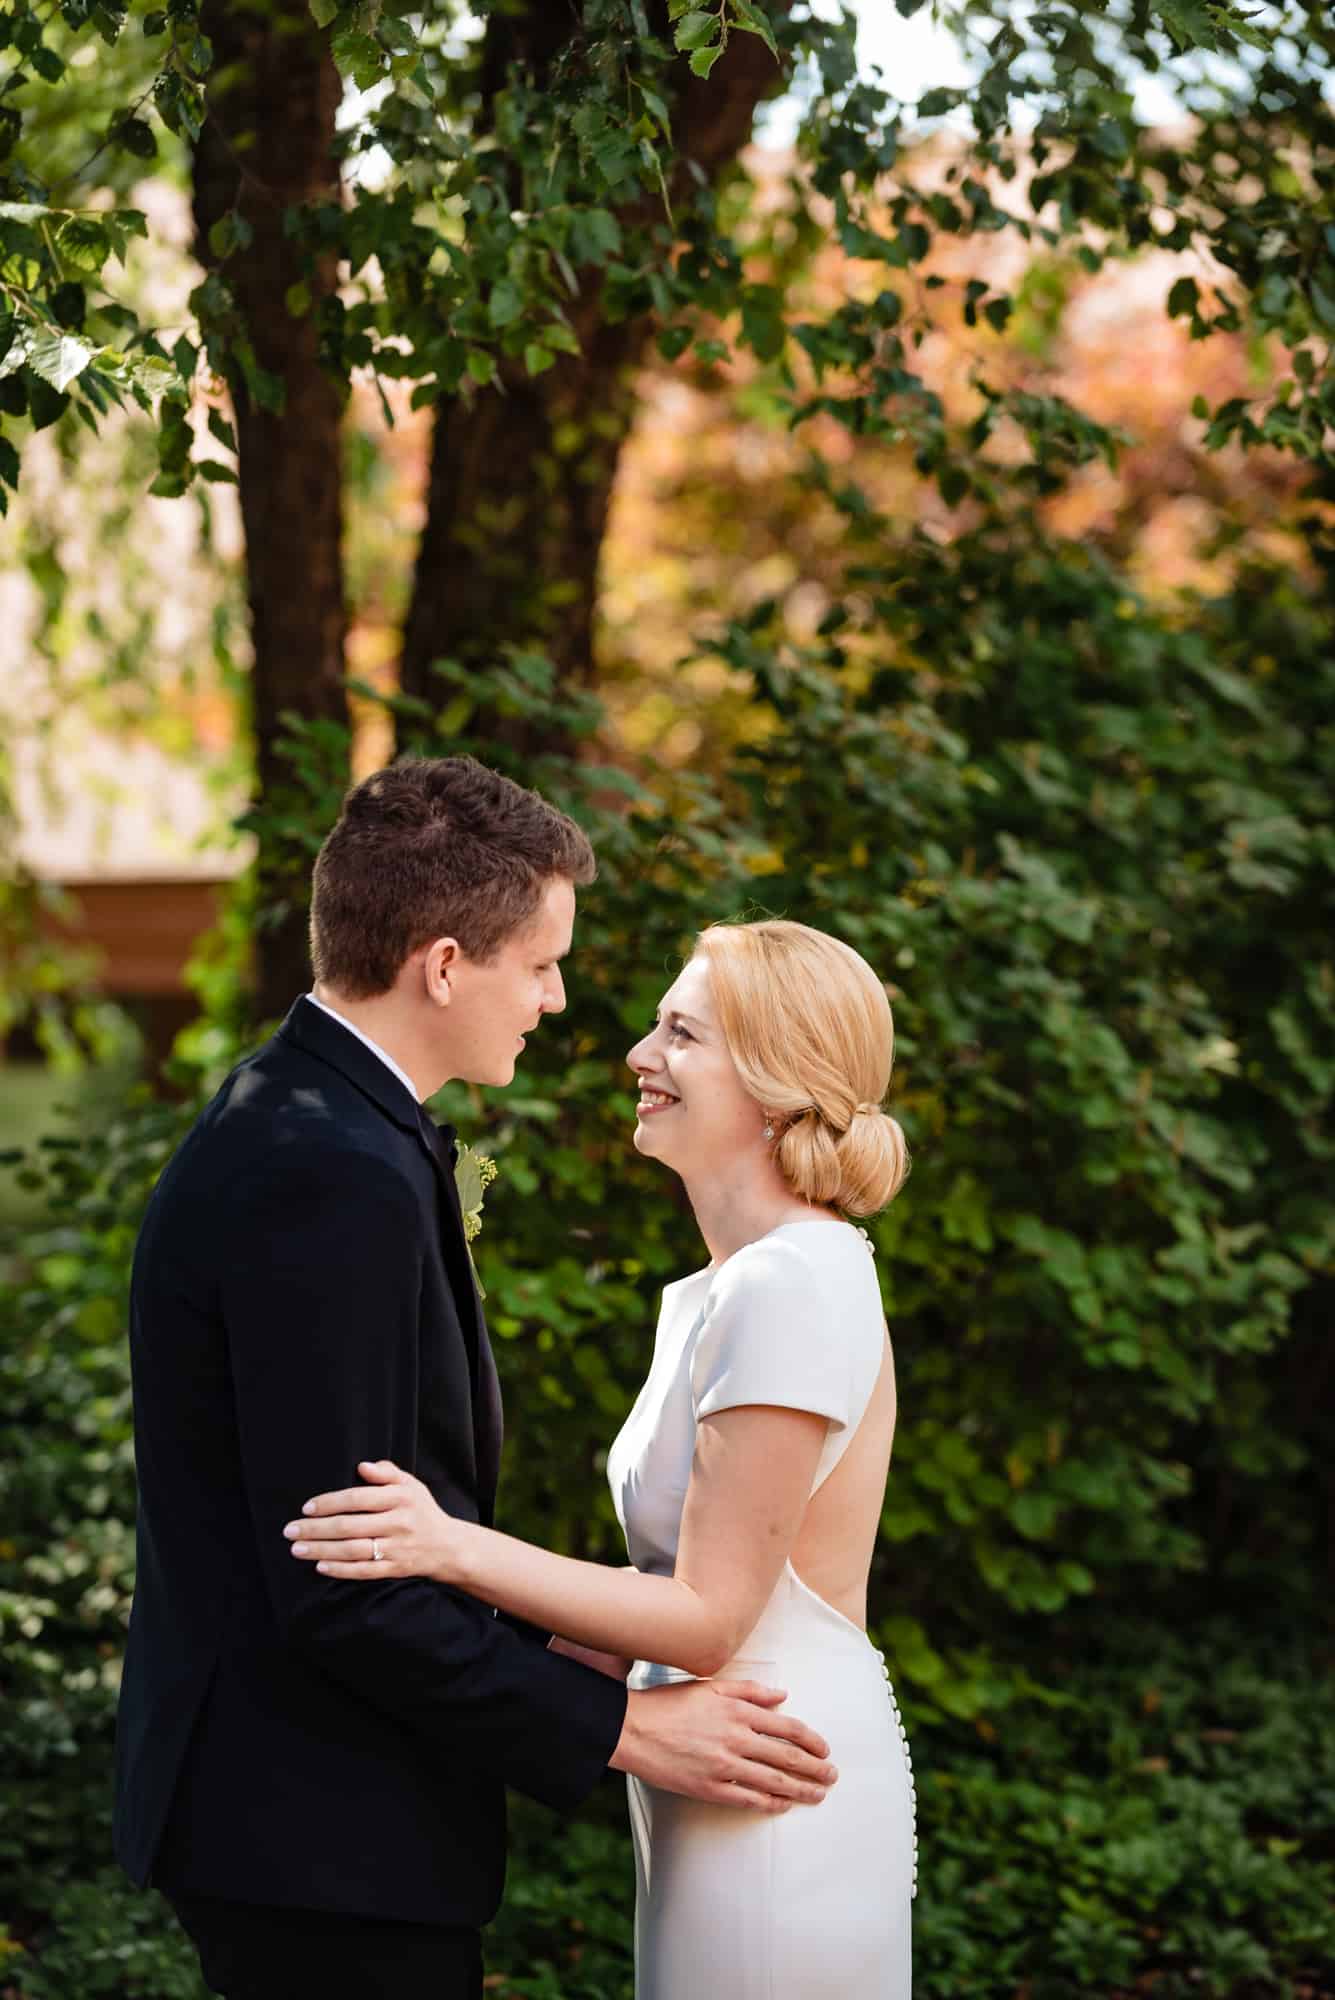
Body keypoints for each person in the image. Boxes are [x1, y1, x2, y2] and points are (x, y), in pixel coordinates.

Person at [113, 759, 839, 2000]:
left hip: (307, 1815)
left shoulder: (310, 1113)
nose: (559, 1001)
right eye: (543, 963)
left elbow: (393, 1521)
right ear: (445, 964)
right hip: (313, 1825)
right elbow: (341, 1577)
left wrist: (543, 1632)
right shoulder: (325, 1167)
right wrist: (620, 1729)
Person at [289, 916, 917, 1999]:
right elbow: (682, 1594)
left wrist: (448, 1548)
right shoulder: (733, 1285)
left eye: (682, 1033)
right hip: (713, 1756)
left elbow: (712, 1614)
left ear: (774, 1080)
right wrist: (562, 1646)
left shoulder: (791, 1282)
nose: (639, 1052)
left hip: (767, 1771)